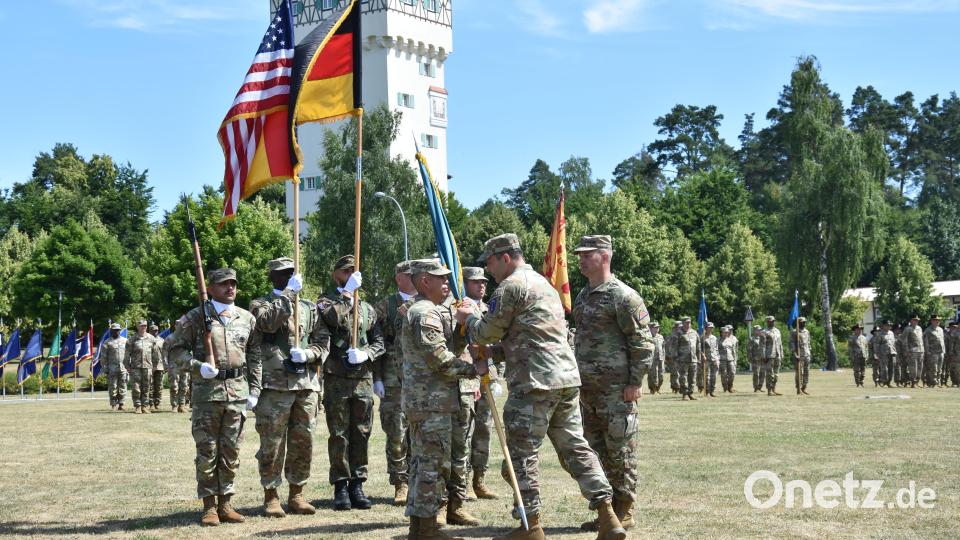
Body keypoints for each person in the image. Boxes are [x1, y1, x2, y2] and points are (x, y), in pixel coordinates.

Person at [455, 233, 627, 540]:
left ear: (505, 257)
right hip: (564, 379)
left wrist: (468, 319)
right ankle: (609, 517)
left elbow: (487, 331)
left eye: (491, 262)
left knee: (520, 457)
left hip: (533, 384)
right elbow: (528, 336)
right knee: (577, 450)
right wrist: (495, 352)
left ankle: (530, 526)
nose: (489, 270)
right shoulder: (544, 285)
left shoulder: (511, 287)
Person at [168, 268, 261, 527]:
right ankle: (209, 505)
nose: (230, 288)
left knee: (231, 450)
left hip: (237, 392)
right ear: (210, 288)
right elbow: (174, 350)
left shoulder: (246, 318)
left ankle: (226, 503)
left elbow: (254, 355)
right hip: (208, 394)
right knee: (208, 450)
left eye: (233, 283)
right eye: (223, 284)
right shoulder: (196, 317)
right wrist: (198, 366)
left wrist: (255, 390)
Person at [571, 234, 653, 531]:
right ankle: (607, 512)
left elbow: (643, 343)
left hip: (617, 391)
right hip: (588, 392)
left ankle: (625, 509)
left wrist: (635, 381)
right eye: (579, 255)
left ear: (604, 256)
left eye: (586, 254)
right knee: (596, 451)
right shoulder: (582, 296)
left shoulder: (624, 296)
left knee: (622, 452)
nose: (580, 259)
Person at [401, 259, 484, 540]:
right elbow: (440, 360)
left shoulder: (431, 311)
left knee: (428, 463)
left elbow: (449, 347)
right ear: (424, 281)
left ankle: (421, 526)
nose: (447, 282)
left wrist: (460, 327)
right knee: (430, 466)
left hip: (433, 401)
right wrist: (475, 369)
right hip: (429, 402)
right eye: (441, 278)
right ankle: (426, 529)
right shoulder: (424, 313)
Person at [250, 257, 330, 518]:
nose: (288, 277)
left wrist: (309, 354)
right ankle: (271, 496)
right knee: (272, 442)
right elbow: (266, 324)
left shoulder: (308, 307)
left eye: (292, 273)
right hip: (274, 384)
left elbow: (322, 339)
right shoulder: (260, 304)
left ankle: (297, 493)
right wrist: (287, 295)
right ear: (272, 277)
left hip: (305, 384)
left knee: (303, 441)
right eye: (282, 274)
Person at [318, 255, 385, 510]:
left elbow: (378, 341)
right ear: (337, 275)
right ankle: (341, 486)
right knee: (339, 434)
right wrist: (346, 295)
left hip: (363, 379)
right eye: (346, 271)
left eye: (354, 271)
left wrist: (367, 353)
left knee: (362, 432)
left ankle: (358, 483)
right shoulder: (325, 301)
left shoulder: (367, 308)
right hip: (337, 378)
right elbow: (333, 319)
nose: (351, 275)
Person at [373, 260, 415, 506]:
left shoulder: (425, 303)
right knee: (396, 433)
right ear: (399, 278)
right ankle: (400, 482)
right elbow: (377, 343)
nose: (415, 279)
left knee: (417, 433)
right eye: (410, 275)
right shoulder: (385, 306)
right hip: (392, 378)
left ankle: (417, 479)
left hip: (418, 380)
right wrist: (377, 378)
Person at [463, 266, 503, 501]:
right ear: (465, 284)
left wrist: (498, 374)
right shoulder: (460, 310)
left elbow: (500, 343)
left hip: (489, 377)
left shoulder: (490, 310)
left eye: (484, 282)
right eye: (476, 282)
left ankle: (480, 480)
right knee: (465, 432)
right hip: (468, 378)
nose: (482, 285)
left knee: (485, 430)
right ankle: (464, 481)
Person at [125, 320, 158, 414]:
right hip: (135, 367)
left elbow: (155, 354)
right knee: (136, 387)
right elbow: (127, 355)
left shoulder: (152, 339)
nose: (143, 327)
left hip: (148, 367)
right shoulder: (132, 340)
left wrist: (155, 366)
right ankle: (137, 406)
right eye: (141, 326)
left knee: (146, 387)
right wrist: (127, 366)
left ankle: (145, 406)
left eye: (145, 326)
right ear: (137, 327)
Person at [101, 323, 128, 411]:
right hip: (112, 368)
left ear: (120, 330)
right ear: (111, 331)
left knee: (123, 386)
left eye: (117, 330)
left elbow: (129, 355)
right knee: (113, 387)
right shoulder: (107, 342)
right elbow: (103, 357)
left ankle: (121, 404)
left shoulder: (125, 341)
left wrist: (129, 366)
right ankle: (113, 404)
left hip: (123, 367)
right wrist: (105, 368)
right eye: (114, 330)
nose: (116, 331)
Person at [676, 316, 702, 401]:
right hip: (683, 359)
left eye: (689, 322)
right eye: (686, 322)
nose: (688, 324)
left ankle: (690, 393)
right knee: (683, 377)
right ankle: (684, 394)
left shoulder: (694, 333)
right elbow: (674, 346)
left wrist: (699, 358)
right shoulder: (679, 333)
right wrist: (675, 358)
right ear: (683, 323)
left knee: (692, 377)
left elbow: (698, 346)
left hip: (693, 359)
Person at [761, 316, 783, 396]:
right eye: (770, 321)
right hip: (769, 355)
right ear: (767, 322)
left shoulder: (777, 331)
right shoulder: (764, 332)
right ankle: (769, 390)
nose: (772, 322)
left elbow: (780, 343)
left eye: (773, 321)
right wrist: (763, 356)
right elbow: (762, 345)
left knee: (776, 374)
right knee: (770, 374)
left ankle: (774, 388)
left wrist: (781, 354)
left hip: (777, 354)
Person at [789, 317, 812, 395]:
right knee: (799, 372)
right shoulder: (794, 332)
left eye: (804, 322)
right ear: (798, 323)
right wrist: (795, 354)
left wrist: (809, 351)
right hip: (799, 355)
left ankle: (804, 387)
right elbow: (791, 343)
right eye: (802, 322)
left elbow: (808, 343)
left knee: (806, 372)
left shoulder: (807, 331)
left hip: (807, 354)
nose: (804, 323)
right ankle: (798, 388)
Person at [923, 315, 944, 388]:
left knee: (939, 368)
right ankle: (933, 382)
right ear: (931, 321)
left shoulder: (940, 329)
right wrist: (927, 351)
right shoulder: (928, 330)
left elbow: (942, 341)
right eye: (935, 320)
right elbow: (926, 342)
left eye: (938, 320)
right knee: (933, 368)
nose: (937, 321)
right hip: (932, 352)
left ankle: (938, 382)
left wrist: (944, 351)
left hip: (941, 352)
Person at [148, 323, 165, 412]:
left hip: (159, 366)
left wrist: (165, 365)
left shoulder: (161, 340)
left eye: (156, 330)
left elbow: (164, 354)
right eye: (153, 330)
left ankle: (157, 403)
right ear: (150, 331)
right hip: (149, 366)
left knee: (159, 386)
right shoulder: (147, 340)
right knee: (150, 386)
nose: (155, 332)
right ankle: (150, 403)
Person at [904, 316, 924, 388]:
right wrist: (907, 350)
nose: (916, 321)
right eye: (914, 320)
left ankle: (917, 381)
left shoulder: (920, 328)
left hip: (921, 350)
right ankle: (913, 382)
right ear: (911, 321)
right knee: (913, 367)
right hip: (912, 351)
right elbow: (905, 340)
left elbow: (921, 339)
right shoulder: (907, 329)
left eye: (917, 320)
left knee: (920, 367)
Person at [701, 322, 719, 397]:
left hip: (714, 359)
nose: (711, 328)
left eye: (712, 327)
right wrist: (702, 355)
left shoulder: (714, 338)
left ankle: (712, 391)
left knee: (714, 376)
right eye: (709, 327)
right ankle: (707, 391)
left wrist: (717, 358)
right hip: (706, 359)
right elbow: (699, 349)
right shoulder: (702, 338)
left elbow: (716, 349)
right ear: (706, 328)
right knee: (707, 376)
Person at [718, 325, 738, 393]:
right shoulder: (718, 340)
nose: (726, 333)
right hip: (722, 359)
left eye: (727, 332)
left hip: (730, 359)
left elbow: (733, 351)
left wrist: (735, 359)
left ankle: (730, 386)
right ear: (721, 333)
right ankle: (725, 387)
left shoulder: (730, 340)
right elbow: (715, 350)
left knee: (732, 373)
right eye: (724, 332)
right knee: (724, 374)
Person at [648, 322, 664, 394]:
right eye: (655, 327)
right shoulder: (648, 337)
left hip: (660, 358)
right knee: (653, 375)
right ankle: (653, 389)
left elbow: (663, 347)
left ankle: (658, 387)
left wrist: (664, 356)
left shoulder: (660, 337)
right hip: (652, 358)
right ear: (651, 328)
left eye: (658, 327)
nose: (657, 329)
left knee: (661, 375)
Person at [748, 325, 763, 392]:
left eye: (760, 330)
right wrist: (750, 358)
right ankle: (755, 387)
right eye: (758, 330)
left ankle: (760, 386)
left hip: (763, 358)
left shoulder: (762, 338)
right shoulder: (752, 339)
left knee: (762, 373)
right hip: (755, 359)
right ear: (754, 331)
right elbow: (749, 350)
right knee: (756, 374)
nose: (759, 331)